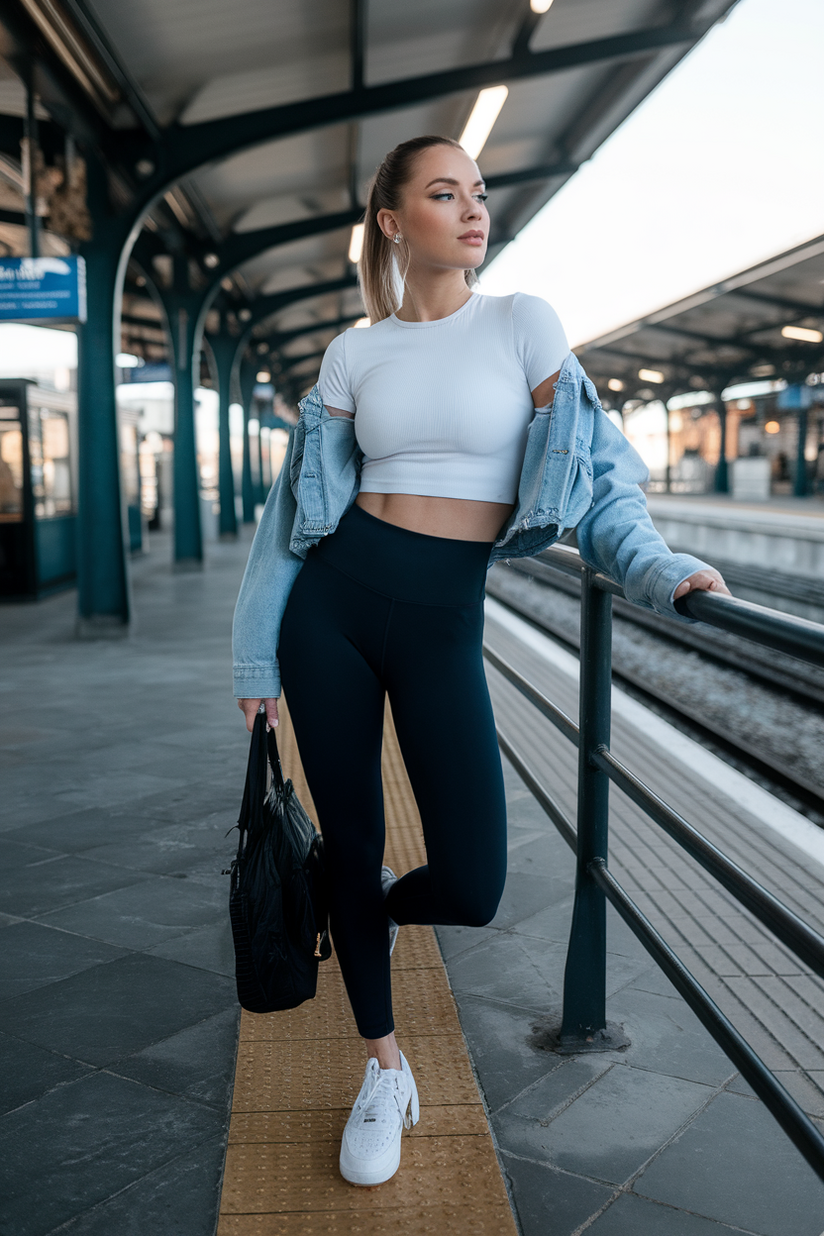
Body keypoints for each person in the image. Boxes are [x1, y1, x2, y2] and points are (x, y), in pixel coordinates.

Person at [232, 134, 729, 1188]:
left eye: (478, 192)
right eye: (443, 192)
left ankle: (360, 899)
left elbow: (596, 483)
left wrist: (658, 571)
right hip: (333, 611)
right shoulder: (351, 353)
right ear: (390, 219)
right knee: (353, 826)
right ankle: (383, 1067)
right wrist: (253, 661)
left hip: (442, 621)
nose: (472, 210)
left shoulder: (522, 324)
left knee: (472, 880)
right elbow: (289, 524)